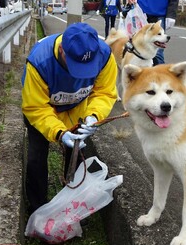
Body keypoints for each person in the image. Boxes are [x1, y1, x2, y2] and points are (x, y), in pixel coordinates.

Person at [21, 23, 118, 214]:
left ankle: (70, 208)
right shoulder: (39, 61)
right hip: (43, 110)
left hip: (77, 109)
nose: (80, 75)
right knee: (36, 157)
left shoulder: (104, 56)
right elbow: (36, 107)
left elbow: (105, 92)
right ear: (61, 50)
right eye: (75, 66)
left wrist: (94, 116)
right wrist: (59, 132)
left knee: (77, 156)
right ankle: (37, 209)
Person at [125, 0, 179, 65]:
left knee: (158, 52)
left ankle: (159, 76)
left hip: (160, 13)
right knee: (136, 48)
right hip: (140, 13)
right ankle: (141, 75)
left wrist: (171, 14)